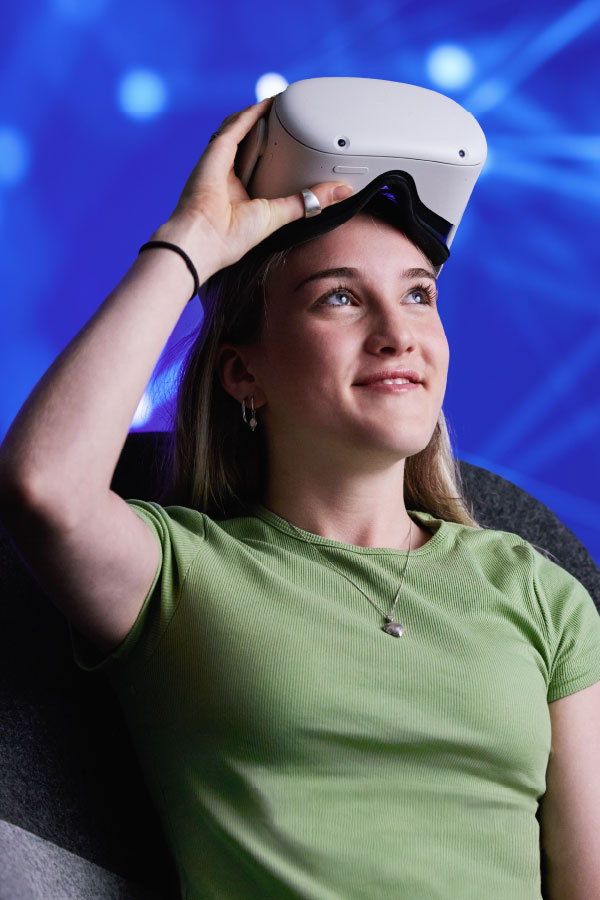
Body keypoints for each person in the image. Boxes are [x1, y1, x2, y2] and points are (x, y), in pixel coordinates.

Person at [0, 92, 599, 900]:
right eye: (341, 298)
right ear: (244, 372)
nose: (399, 332)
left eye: (419, 293)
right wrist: (196, 242)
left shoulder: (536, 590)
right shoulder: (184, 573)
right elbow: (43, 488)